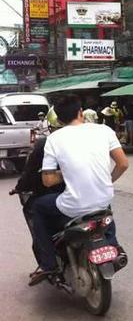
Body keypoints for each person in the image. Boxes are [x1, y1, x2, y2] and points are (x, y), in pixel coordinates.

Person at [29, 94, 129, 285]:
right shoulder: (104, 130)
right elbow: (123, 164)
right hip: (103, 199)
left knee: (38, 208)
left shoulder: (54, 139)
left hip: (73, 206)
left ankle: (48, 263)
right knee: (102, 204)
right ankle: (114, 244)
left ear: (58, 119)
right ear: (80, 112)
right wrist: (107, 180)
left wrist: (65, 173)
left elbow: (48, 180)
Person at [12, 108, 65, 268]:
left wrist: (20, 187)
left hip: (65, 195)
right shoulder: (91, 138)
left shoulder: (46, 144)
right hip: (96, 194)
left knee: (37, 209)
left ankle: (48, 263)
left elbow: (38, 176)